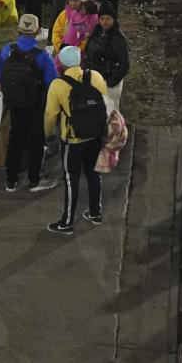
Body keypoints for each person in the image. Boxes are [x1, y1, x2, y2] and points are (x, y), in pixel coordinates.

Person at [43, 45, 108, 233]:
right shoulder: (95, 76)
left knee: (71, 180)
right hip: (95, 135)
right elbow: (105, 102)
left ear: (61, 64)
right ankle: (95, 213)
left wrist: (48, 135)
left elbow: (50, 115)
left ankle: (67, 222)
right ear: (80, 61)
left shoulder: (58, 85)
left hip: (73, 140)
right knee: (94, 173)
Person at [0, 12, 58, 193]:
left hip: (14, 103)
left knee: (16, 139)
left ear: (19, 29)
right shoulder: (42, 56)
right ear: (38, 31)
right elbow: (52, 82)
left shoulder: (7, 49)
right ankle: (34, 180)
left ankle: (11, 180)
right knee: (36, 141)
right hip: (36, 105)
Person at [84, 1, 130, 111]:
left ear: (113, 19)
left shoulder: (118, 39)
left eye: (108, 18)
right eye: (102, 18)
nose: (105, 22)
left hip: (109, 84)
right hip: (94, 80)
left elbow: (124, 64)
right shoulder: (96, 33)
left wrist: (110, 82)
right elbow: (89, 54)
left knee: (111, 112)